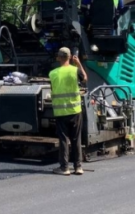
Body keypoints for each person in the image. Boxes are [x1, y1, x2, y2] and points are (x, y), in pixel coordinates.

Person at [49, 47, 88, 176]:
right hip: (75, 110)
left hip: (61, 112)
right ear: (71, 57)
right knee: (76, 139)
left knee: (64, 140)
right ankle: (78, 167)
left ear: (58, 58)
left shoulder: (53, 73)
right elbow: (85, 79)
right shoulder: (75, 70)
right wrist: (78, 63)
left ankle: (64, 168)